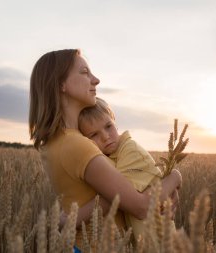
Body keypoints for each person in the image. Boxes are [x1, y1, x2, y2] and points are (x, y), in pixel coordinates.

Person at [29, 49, 182, 249]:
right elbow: (141, 206)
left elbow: (100, 197)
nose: (96, 80)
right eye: (84, 72)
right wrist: (175, 178)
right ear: (61, 84)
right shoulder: (77, 145)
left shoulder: (56, 142)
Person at [77, 97, 179, 240]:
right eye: (94, 134)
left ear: (115, 123)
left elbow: (115, 198)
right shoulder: (112, 156)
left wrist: (70, 220)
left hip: (160, 240)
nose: (106, 137)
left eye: (108, 126)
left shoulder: (130, 152)